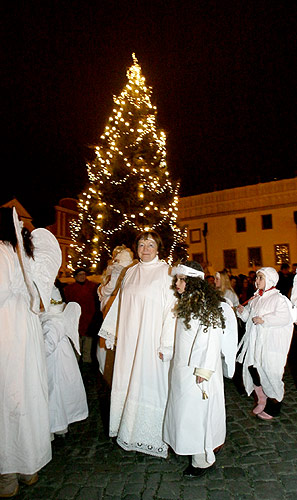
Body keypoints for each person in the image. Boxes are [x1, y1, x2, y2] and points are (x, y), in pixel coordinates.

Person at [0, 207, 61, 497]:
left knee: (9, 396)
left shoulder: (5, 252)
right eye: (20, 220)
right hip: (24, 330)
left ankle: (8, 472)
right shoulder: (22, 254)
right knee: (24, 393)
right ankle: (27, 467)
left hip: (9, 331)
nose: (24, 223)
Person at [99, 231, 176, 458]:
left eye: (150, 244)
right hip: (129, 340)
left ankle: (154, 436)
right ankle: (129, 433)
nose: (145, 248)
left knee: (151, 384)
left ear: (158, 248)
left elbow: (172, 311)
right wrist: (112, 332)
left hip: (151, 341)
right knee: (128, 379)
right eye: (141, 244)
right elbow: (121, 304)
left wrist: (166, 344)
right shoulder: (130, 272)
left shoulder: (166, 273)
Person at [163, 261, 238, 477]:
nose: (176, 283)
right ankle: (190, 448)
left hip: (198, 371)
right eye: (177, 279)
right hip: (183, 367)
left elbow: (210, 339)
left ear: (193, 282)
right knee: (185, 412)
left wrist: (203, 371)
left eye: (181, 279)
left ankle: (203, 460)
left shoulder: (205, 305)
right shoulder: (187, 302)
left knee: (197, 414)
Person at [236, 267, 295, 420]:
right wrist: (243, 312)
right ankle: (262, 399)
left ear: (269, 279)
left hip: (271, 344)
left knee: (271, 373)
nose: (256, 281)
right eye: (256, 278)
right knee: (255, 369)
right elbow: (250, 319)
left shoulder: (278, 298)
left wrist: (265, 320)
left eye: (260, 278)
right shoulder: (256, 298)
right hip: (256, 343)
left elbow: (285, 318)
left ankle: (274, 405)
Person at [40, 284, 89, 440]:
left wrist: (33, 352)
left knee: (54, 394)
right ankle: (57, 427)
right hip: (57, 362)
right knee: (55, 395)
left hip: (54, 364)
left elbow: (49, 345)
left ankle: (56, 427)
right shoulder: (56, 318)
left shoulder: (53, 321)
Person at [97, 246, 134, 377]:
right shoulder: (128, 272)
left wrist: (102, 289)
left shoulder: (118, 273)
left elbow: (109, 289)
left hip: (116, 311)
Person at [64, 268, 101, 365]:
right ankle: (75, 364)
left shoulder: (93, 287)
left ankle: (87, 365)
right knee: (76, 344)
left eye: (84, 274)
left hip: (89, 319)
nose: (82, 276)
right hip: (76, 320)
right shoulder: (69, 289)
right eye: (80, 274)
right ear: (75, 276)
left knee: (87, 346)